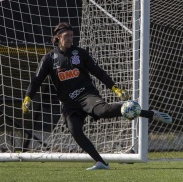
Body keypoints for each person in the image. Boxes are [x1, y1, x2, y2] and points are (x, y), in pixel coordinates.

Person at [21, 22, 172, 170]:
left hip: (87, 95)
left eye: (71, 36)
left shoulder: (79, 53)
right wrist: (28, 97)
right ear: (58, 37)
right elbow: (36, 80)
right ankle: (101, 162)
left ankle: (149, 113)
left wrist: (115, 88)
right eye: (66, 36)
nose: (69, 39)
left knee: (103, 111)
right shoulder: (49, 58)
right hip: (69, 103)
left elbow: (98, 72)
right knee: (74, 129)